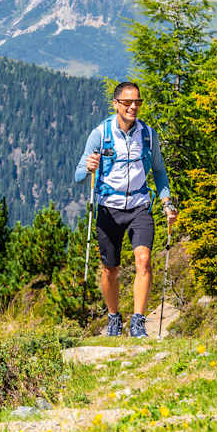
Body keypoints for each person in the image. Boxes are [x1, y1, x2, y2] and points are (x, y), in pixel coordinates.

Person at [75, 81, 176, 338]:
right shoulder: (100, 134)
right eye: (128, 102)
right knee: (110, 268)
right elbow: (78, 175)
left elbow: (159, 171)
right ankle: (113, 317)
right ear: (116, 104)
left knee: (144, 261)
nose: (133, 107)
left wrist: (166, 202)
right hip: (109, 208)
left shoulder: (148, 135)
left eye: (137, 102)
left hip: (140, 206)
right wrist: (88, 167)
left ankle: (138, 322)